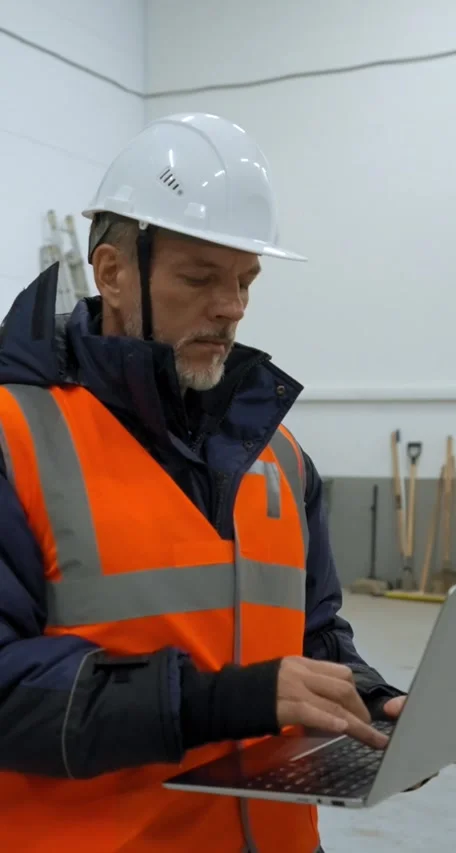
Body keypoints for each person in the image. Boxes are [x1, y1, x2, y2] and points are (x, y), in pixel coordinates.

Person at [0, 113, 407, 853]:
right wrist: (226, 700)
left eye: (247, 280)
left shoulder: (278, 455)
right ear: (113, 272)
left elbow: (312, 631)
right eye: (200, 278)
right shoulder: (15, 439)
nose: (233, 306)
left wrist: (367, 697)